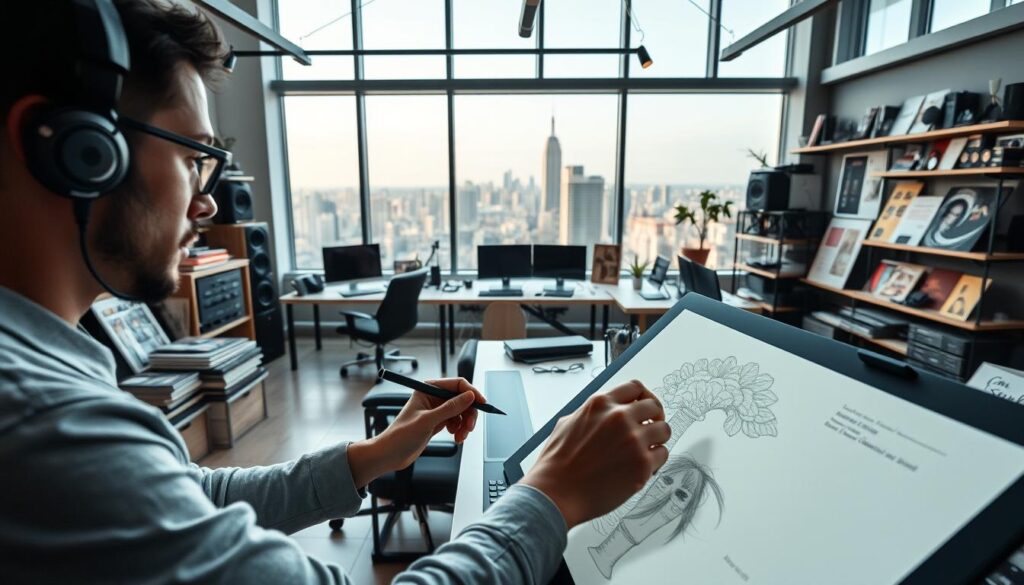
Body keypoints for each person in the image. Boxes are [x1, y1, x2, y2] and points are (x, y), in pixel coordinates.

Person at [0, 1, 670, 583]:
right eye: (190, 156)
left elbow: (190, 496)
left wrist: (372, 456)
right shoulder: (49, 426)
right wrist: (551, 495)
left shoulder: (49, 388)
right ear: (77, 151)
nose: (206, 204)